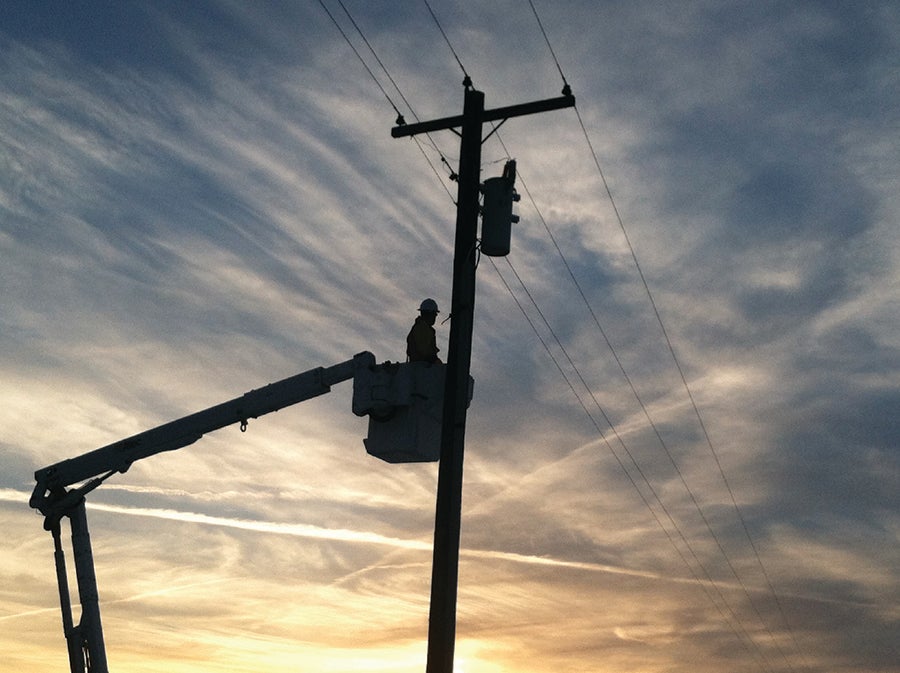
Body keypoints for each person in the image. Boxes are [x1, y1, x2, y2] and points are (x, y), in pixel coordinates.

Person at [407, 298, 442, 363]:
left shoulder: (421, 327)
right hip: (422, 367)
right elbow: (424, 352)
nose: (435, 317)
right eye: (435, 314)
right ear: (429, 314)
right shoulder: (422, 328)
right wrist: (435, 361)